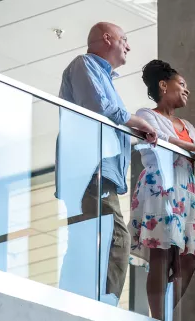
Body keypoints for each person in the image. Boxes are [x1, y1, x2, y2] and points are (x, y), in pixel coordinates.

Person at [56, 22, 158, 303]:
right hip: (90, 169)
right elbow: (98, 107)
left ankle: (71, 301)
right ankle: (107, 304)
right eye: (124, 39)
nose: (128, 45)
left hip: (95, 170)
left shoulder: (103, 77)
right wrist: (134, 121)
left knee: (84, 239)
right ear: (107, 38)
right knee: (117, 237)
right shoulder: (84, 65)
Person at [129, 60, 195, 320]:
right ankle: (158, 316)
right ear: (163, 85)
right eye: (182, 84)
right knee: (162, 253)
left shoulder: (186, 125)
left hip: (187, 192)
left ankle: (165, 313)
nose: (186, 90)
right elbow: (157, 136)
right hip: (160, 186)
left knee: (190, 257)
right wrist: (192, 149)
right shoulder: (147, 114)